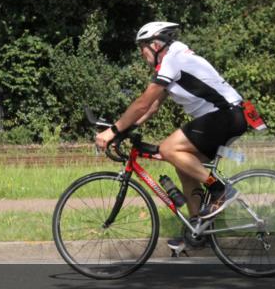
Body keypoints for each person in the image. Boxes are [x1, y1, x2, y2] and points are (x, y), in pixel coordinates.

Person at [94, 21, 248, 252]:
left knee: (168, 149)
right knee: (182, 164)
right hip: (224, 117)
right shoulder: (173, 61)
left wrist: (113, 131)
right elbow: (151, 108)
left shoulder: (172, 60)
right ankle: (197, 229)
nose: (141, 53)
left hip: (225, 115)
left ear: (156, 45)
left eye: (142, 47)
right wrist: (124, 131)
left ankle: (220, 190)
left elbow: (142, 102)